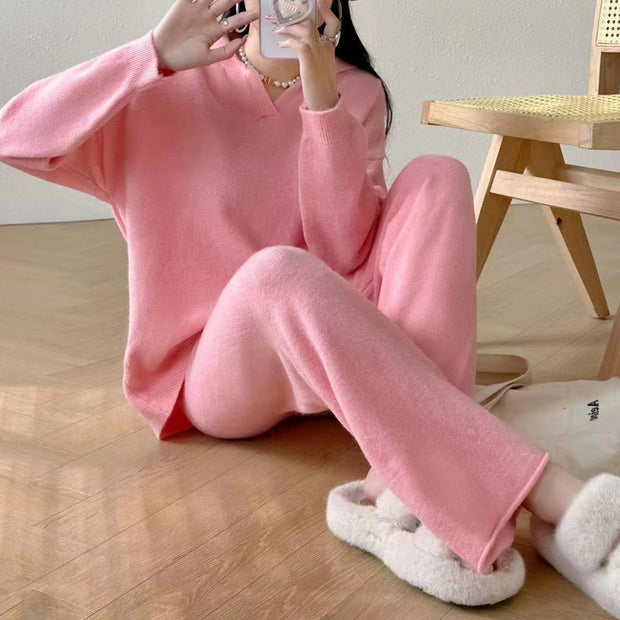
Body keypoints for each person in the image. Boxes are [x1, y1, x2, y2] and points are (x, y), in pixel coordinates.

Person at [0, 0, 617, 612]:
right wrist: (151, 54)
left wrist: (321, 95)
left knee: (439, 173)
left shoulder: (356, 90)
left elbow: (342, 248)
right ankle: (552, 495)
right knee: (276, 271)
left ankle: (401, 489)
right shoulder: (159, 86)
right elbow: (14, 136)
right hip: (216, 372)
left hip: (329, 333)